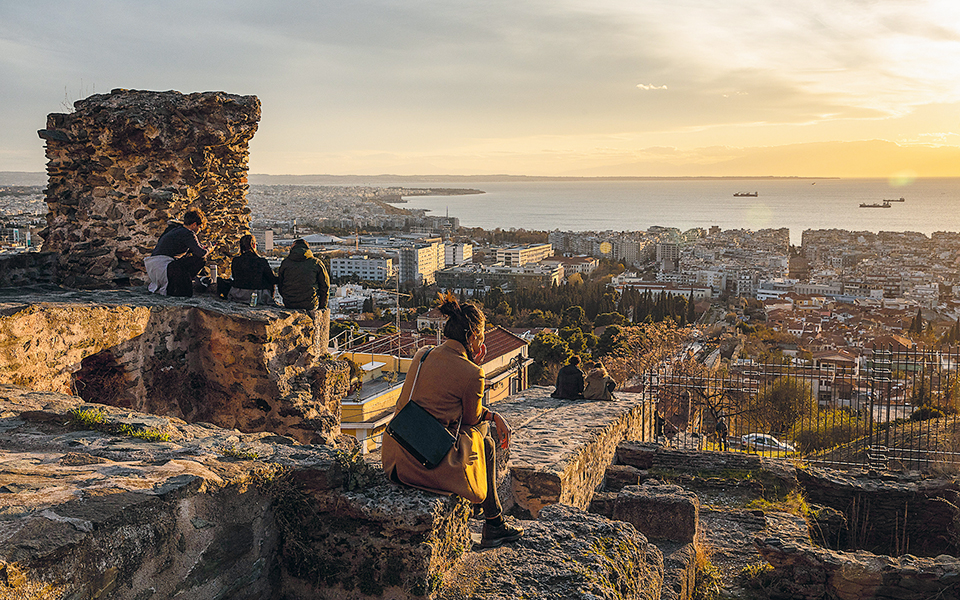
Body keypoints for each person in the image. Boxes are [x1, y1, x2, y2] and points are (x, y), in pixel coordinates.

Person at [382, 295, 524, 549]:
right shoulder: (473, 373)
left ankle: (493, 520)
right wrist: (490, 411)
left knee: (481, 435)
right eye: (481, 336)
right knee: (486, 442)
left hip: (394, 456)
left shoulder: (422, 354)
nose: (482, 342)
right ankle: (494, 523)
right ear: (471, 338)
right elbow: (470, 420)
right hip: (423, 462)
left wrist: (490, 413)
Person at [145, 208, 208, 297]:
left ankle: (178, 285)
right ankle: (179, 286)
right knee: (200, 259)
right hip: (164, 266)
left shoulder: (175, 229)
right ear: (194, 225)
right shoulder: (188, 233)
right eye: (199, 227)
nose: (199, 230)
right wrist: (209, 249)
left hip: (154, 267)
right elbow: (201, 253)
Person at [277, 239, 329, 311]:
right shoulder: (316, 263)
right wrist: (322, 306)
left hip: (289, 304)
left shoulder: (285, 263)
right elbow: (325, 286)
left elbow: (280, 284)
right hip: (310, 304)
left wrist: (287, 298)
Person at [228, 234, 277, 305]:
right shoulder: (261, 261)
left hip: (237, 293)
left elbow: (234, 276)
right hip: (256, 295)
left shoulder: (236, 260)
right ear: (254, 245)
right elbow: (271, 279)